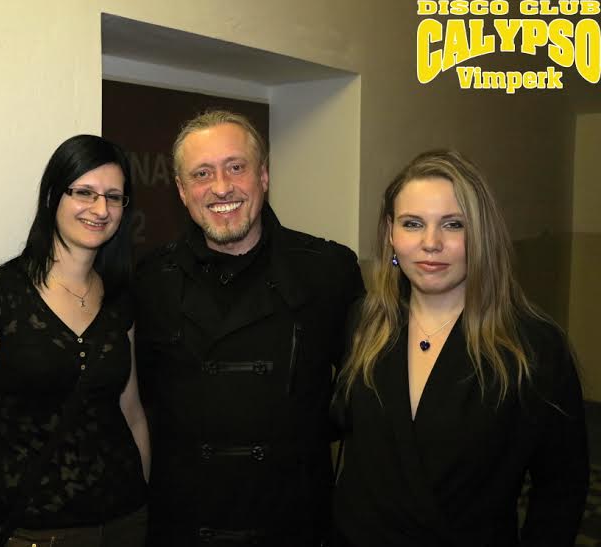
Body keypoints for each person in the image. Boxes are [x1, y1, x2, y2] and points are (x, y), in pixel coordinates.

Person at [332, 150, 588, 547]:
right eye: (413, 223)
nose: (431, 243)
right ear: (390, 234)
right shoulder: (364, 323)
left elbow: (561, 488)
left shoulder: (532, 347)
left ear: (481, 235)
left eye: (453, 224)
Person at [133, 110, 366, 546]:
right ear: (182, 191)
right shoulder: (149, 281)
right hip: (184, 528)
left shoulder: (328, 271)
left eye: (235, 167)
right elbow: (132, 408)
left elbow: (364, 402)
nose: (221, 187)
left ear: (263, 175)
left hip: (294, 527)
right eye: (202, 173)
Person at [0, 135, 149, 547]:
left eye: (113, 197)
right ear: (53, 196)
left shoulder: (120, 298)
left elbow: (132, 413)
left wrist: (146, 503)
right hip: (34, 531)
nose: (101, 209)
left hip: (127, 522)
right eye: (84, 193)